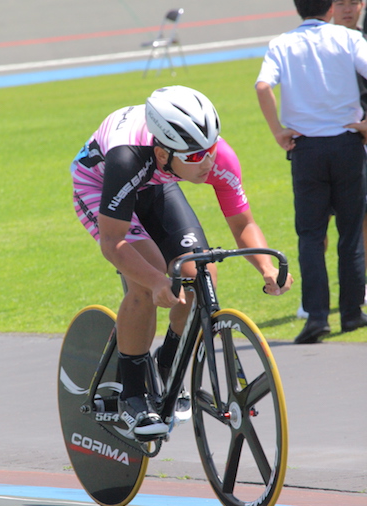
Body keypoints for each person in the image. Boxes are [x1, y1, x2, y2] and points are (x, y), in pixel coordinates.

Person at [71, 85, 293, 441]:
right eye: (194, 157)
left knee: (200, 273)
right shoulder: (128, 156)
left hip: (155, 182)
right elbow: (114, 243)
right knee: (149, 278)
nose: (207, 163)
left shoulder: (212, 157)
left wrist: (266, 267)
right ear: (162, 153)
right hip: (101, 185)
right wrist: (157, 281)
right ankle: (132, 395)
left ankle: (166, 366)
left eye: (209, 151)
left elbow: (243, 224)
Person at [255, 0, 367, 344]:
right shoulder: (348, 39)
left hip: (306, 149)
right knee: (350, 233)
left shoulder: (282, 43)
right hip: (347, 143)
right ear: (331, 8)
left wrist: (277, 131)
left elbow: (263, 86)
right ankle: (351, 313)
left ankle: (316, 316)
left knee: (310, 235)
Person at [333, 0, 367, 306]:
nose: (346, 9)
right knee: (318, 223)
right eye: (339, 2)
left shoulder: (362, 41)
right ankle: (313, 298)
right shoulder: (323, 45)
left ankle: (361, 284)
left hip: (361, 138)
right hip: (329, 143)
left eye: (351, 2)